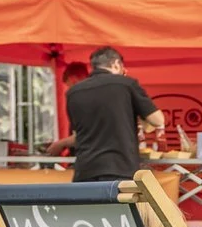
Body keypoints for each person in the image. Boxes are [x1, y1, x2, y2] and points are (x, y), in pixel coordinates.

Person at [65, 48, 163, 183]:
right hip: (119, 168)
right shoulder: (126, 84)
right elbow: (158, 120)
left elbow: (78, 135)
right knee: (117, 204)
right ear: (116, 64)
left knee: (90, 205)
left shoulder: (73, 92)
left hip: (85, 170)